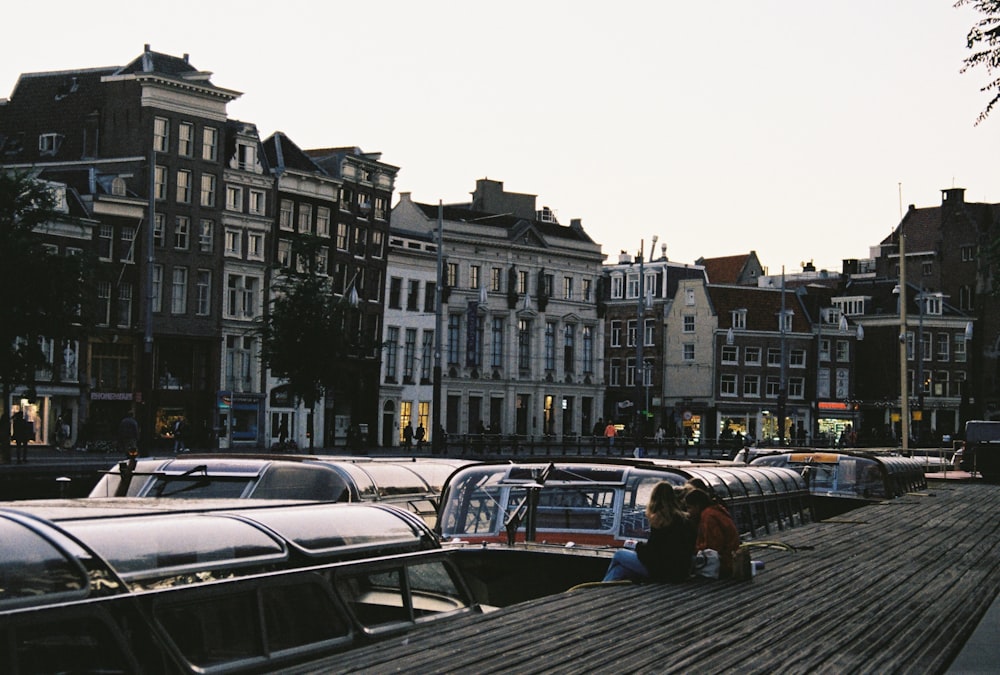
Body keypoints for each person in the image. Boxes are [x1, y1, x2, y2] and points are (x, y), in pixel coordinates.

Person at [602, 481, 696, 583]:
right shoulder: (685, 519)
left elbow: (652, 555)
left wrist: (638, 547)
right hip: (680, 572)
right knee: (619, 570)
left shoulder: (660, 519)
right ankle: (602, 586)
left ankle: (600, 587)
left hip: (662, 572)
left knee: (619, 555)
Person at [684, 485, 741, 579]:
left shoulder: (708, 517)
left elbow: (713, 546)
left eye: (689, 508)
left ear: (697, 506)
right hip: (730, 559)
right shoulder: (715, 511)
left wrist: (695, 549)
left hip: (723, 563)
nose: (688, 512)